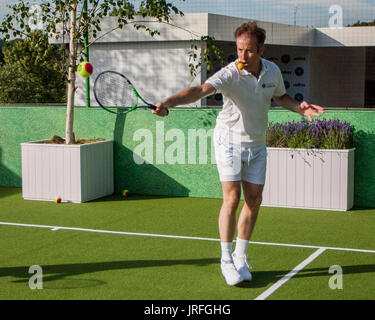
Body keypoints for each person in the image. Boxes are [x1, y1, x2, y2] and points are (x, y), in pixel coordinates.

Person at [152, 21, 324, 286]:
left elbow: (281, 97)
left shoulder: (273, 72)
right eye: (239, 50)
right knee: (232, 198)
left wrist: (300, 108)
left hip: (256, 144)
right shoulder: (230, 74)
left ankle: (241, 256)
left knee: (254, 200)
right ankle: (225, 260)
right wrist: (168, 102)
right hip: (228, 142)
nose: (242, 56)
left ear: (261, 50)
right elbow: (200, 90)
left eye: (249, 51)